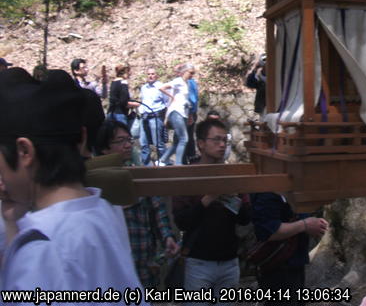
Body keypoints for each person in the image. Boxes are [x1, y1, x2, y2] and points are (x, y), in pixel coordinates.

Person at [0, 67, 147, 296]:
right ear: (81, 140)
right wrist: (12, 222)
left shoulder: (40, 248)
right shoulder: (105, 211)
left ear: (24, 151)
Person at [172, 118, 250, 304]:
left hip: (230, 262)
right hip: (198, 263)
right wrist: (208, 198)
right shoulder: (187, 177)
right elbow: (182, 221)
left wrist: (234, 198)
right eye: (216, 140)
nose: (222, 145)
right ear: (200, 143)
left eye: (225, 140)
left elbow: (246, 218)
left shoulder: (233, 175)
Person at [95, 119, 179, 288]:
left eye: (129, 140)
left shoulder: (138, 173)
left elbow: (158, 209)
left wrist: (167, 237)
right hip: (112, 270)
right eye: (120, 141)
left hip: (144, 266)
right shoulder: (95, 183)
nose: (127, 145)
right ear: (104, 148)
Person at [251, 192, 328, 305]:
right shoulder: (267, 192)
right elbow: (267, 232)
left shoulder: (291, 190)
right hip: (277, 267)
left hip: (294, 263)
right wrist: (305, 225)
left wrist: (314, 225)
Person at [158, 64, 194, 165]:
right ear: (184, 72)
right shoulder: (178, 81)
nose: (192, 75)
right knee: (184, 138)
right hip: (176, 112)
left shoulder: (186, 83)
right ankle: (178, 165)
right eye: (190, 73)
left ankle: (162, 160)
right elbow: (162, 88)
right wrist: (171, 97)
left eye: (193, 73)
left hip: (183, 113)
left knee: (178, 141)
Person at [138, 67, 168, 166]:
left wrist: (165, 117)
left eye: (152, 74)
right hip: (144, 117)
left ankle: (164, 161)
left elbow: (166, 102)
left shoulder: (161, 87)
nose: (150, 76)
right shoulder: (144, 88)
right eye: (148, 74)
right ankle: (145, 165)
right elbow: (142, 102)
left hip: (156, 117)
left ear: (156, 75)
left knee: (158, 143)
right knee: (143, 142)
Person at [184, 66, 199, 163]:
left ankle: (189, 159)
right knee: (187, 138)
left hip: (189, 113)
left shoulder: (190, 82)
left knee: (186, 138)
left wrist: (191, 114)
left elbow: (193, 99)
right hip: (185, 113)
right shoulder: (183, 82)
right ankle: (187, 158)